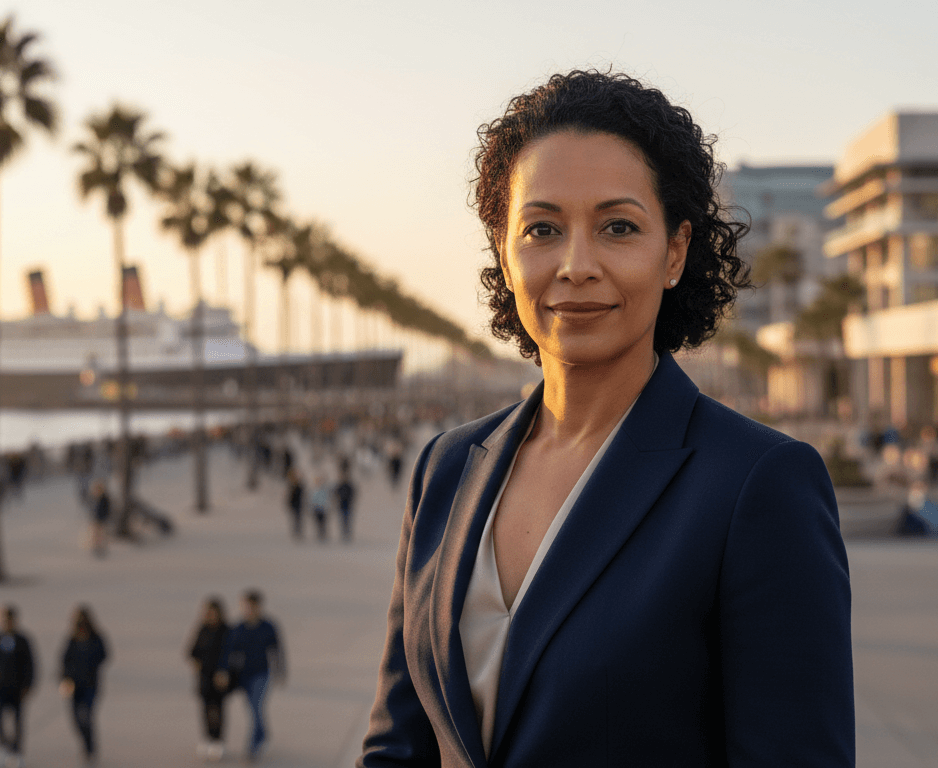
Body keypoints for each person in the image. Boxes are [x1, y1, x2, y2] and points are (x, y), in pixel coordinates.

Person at [357, 70, 853, 766]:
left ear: (674, 252)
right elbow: (396, 745)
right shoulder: (446, 468)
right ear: (504, 251)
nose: (576, 265)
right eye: (542, 229)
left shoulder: (758, 485)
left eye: (618, 227)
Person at [216, 590, 285, 762]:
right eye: (244, 606)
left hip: (261, 674)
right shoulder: (238, 628)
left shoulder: (268, 627)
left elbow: (277, 650)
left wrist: (280, 671)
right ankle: (262, 734)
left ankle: (254, 745)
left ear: (258, 607)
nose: (247, 609)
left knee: (256, 706)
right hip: (244, 675)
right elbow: (227, 651)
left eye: (251, 606)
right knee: (252, 709)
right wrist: (223, 670)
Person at [0, 604, 36, 768]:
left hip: (17, 688)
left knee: (18, 723)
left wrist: (28, 685)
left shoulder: (23, 640)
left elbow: (30, 664)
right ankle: (3, 747)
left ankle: (17, 752)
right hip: (0, 687)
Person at [59, 605, 108, 765]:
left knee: (86, 717)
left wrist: (89, 667)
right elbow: (64, 661)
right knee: (76, 720)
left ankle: (90, 749)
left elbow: (104, 655)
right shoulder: (72, 640)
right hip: (74, 688)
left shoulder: (96, 638)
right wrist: (65, 680)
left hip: (90, 686)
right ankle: (86, 745)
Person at [188, 597, 231, 761]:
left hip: (220, 676)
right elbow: (191, 651)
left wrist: (225, 672)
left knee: (218, 709)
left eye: (212, 612)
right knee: (205, 709)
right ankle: (207, 738)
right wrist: (195, 663)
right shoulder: (202, 629)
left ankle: (218, 740)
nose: (209, 615)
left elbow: (230, 653)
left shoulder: (226, 630)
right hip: (204, 676)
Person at [88, 479, 110, 558]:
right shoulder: (95, 499)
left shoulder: (104, 499)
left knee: (102, 534)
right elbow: (93, 509)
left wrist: (104, 517)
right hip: (96, 520)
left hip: (102, 520)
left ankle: (101, 547)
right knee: (95, 534)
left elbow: (106, 510)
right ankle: (96, 547)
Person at [335, 462, 357, 543]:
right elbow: (336, 493)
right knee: (342, 519)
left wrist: (351, 499)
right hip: (341, 505)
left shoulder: (349, 486)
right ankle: (344, 532)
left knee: (347, 519)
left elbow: (353, 493)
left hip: (348, 504)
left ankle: (347, 532)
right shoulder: (339, 486)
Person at [309, 472, 331, 542]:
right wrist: (312, 507)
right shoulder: (314, 490)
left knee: (323, 522)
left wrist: (327, 507)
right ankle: (319, 533)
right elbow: (312, 499)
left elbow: (327, 499)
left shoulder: (325, 490)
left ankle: (323, 533)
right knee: (318, 522)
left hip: (323, 509)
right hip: (316, 508)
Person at [284, 468, 304, 541]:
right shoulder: (291, 486)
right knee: (295, 518)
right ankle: (296, 531)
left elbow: (301, 494)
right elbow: (289, 496)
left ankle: (298, 531)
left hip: (299, 504)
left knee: (298, 518)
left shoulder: (299, 486)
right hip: (294, 504)